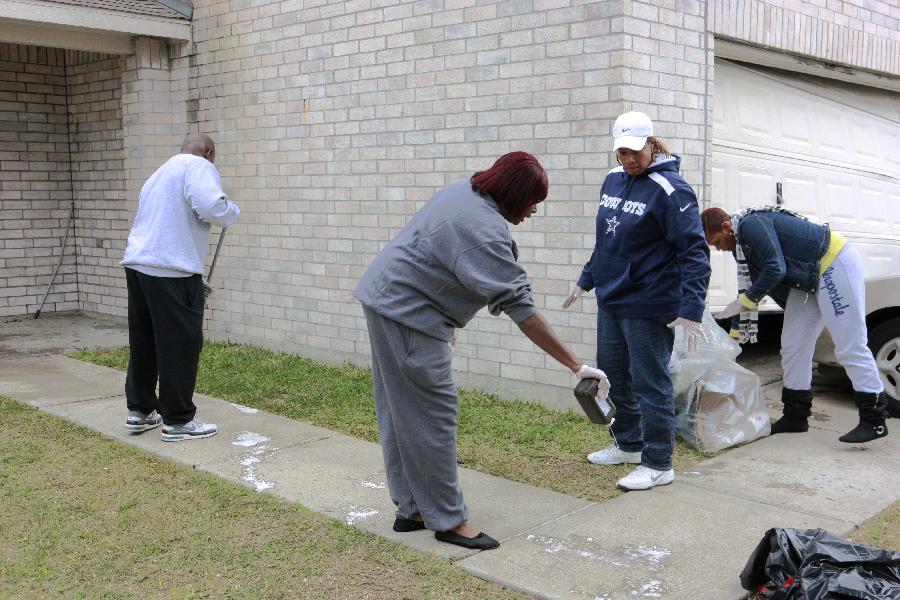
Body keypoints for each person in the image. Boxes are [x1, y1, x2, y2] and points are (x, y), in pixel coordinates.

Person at [355, 152, 609, 550]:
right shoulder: (485, 231)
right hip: (408, 314)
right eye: (533, 201)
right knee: (432, 417)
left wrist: (443, 316)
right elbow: (522, 310)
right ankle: (449, 521)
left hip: (389, 300)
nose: (534, 210)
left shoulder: (465, 193)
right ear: (514, 195)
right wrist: (577, 366)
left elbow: (435, 259)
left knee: (400, 410)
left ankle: (412, 509)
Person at [563, 111, 711, 491]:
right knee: (613, 378)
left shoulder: (671, 189)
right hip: (612, 298)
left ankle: (659, 463)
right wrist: (586, 280)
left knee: (650, 382)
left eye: (635, 151)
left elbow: (694, 253)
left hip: (650, 301)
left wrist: (691, 309)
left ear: (651, 144)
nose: (629, 160)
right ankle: (629, 444)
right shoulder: (613, 180)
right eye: (621, 152)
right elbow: (606, 242)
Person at [700, 205, 889, 444]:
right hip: (806, 280)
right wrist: (735, 331)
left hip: (832, 262)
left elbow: (774, 268)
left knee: (850, 345)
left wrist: (744, 301)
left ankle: (874, 420)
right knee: (792, 346)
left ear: (726, 227)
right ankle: (795, 416)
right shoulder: (742, 246)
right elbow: (750, 290)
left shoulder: (750, 225)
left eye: (716, 241)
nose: (718, 248)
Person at [120, 133, 240, 441]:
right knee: (180, 345)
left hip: (139, 265)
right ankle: (178, 421)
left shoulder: (158, 174)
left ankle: (141, 410)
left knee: (144, 340)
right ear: (209, 152)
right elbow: (211, 204)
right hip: (172, 270)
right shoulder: (198, 166)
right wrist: (230, 211)